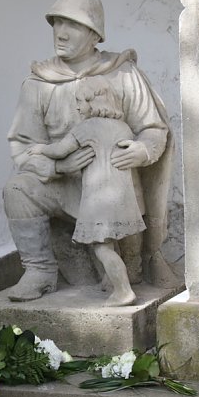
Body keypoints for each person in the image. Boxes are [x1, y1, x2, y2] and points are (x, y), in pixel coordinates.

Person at [3, 0, 178, 302]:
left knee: (125, 275)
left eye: (73, 25)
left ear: (95, 34)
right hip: (62, 187)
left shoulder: (123, 74)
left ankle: (127, 269)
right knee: (16, 190)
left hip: (113, 191)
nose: (61, 33)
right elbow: (22, 145)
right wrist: (58, 166)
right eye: (57, 23)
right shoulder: (39, 82)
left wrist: (142, 150)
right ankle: (39, 271)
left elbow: (153, 129)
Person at [26, 76, 144, 305]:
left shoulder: (86, 127)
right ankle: (117, 286)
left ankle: (123, 290)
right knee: (110, 245)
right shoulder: (124, 127)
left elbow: (61, 150)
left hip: (99, 199)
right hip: (121, 198)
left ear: (94, 101)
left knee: (102, 248)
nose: (77, 107)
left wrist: (41, 149)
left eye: (80, 101)